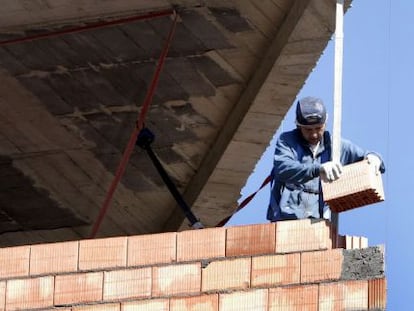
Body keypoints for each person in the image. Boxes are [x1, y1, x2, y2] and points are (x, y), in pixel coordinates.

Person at [266, 96, 385, 222]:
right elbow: (283, 168)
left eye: (318, 128)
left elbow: (368, 156)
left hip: (319, 221)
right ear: (298, 126)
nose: (314, 134)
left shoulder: (336, 146)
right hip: (286, 219)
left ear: (325, 123)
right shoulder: (287, 141)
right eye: (308, 130)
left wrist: (375, 158)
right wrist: (319, 169)